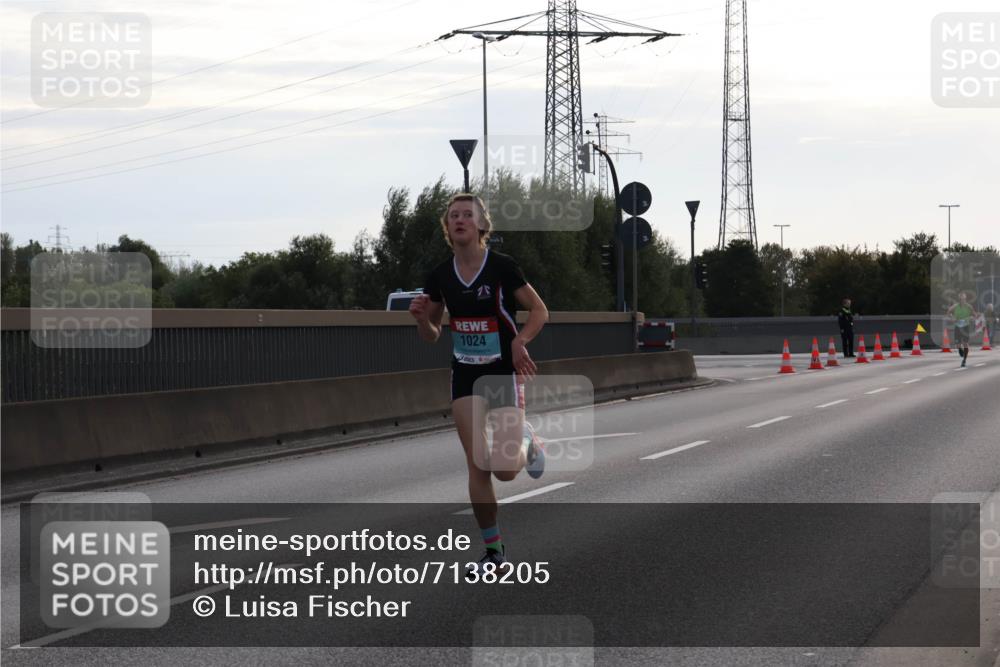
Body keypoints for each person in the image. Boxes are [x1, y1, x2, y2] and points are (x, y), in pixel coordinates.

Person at [409, 193, 549, 576]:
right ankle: (494, 551)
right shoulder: (440, 276)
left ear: (481, 225)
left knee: (504, 469)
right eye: (453, 215)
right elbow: (433, 334)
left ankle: (527, 442)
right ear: (447, 227)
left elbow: (539, 310)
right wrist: (422, 319)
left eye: (467, 215)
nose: (459, 220)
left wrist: (520, 341)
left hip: (503, 370)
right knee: (477, 464)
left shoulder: (502, 267)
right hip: (466, 373)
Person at [947, 292, 978, 367]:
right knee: (957, 345)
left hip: (965, 326)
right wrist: (952, 318)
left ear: (965, 299)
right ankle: (960, 350)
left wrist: (972, 318)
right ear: (959, 299)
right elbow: (948, 313)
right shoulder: (955, 306)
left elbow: (975, 315)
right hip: (957, 326)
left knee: (965, 344)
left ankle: (964, 360)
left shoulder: (969, 307)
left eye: (964, 299)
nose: (963, 300)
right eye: (961, 299)